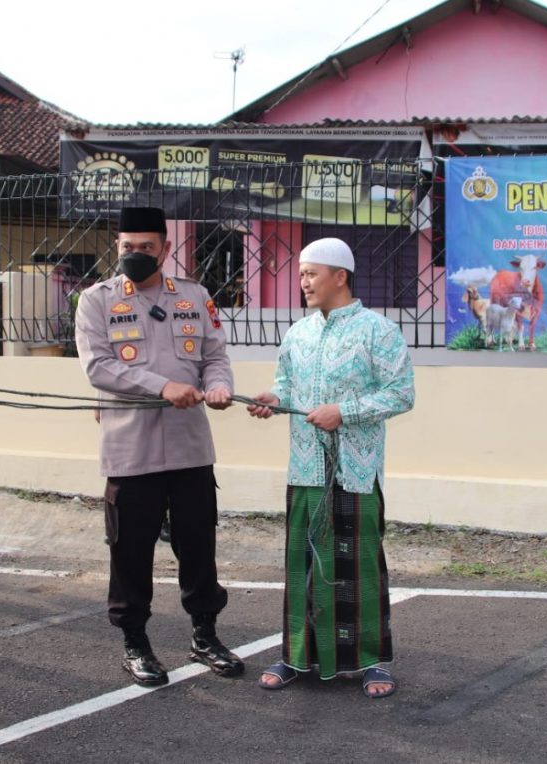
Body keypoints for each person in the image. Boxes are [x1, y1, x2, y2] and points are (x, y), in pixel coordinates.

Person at [75, 206, 243, 687]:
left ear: (166, 250)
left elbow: (215, 357)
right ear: (117, 247)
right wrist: (162, 386)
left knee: (198, 545)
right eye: (128, 247)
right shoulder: (97, 300)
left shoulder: (194, 296)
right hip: (132, 450)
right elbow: (99, 368)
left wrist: (219, 386)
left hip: (191, 447)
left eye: (146, 247)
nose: (136, 255)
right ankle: (135, 643)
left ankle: (204, 635)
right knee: (130, 549)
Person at [248, 237, 415, 699]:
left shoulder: (378, 331)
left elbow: (401, 393)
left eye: (311, 274)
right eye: (301, 274)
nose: (303, 282)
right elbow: (285, 384)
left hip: (355, 470)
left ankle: (371, 662)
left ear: (340, 276)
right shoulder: (297, 333)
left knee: (359, 565)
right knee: (300, 563)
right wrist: (273, 399)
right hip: (305, 468)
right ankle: (296, 656)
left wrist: (346, 410)